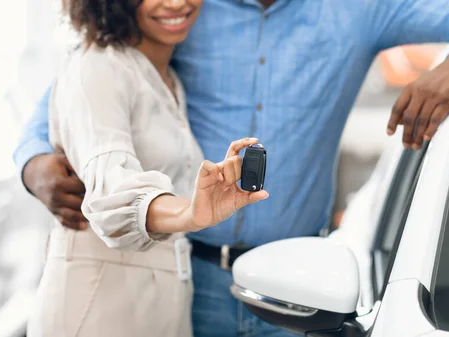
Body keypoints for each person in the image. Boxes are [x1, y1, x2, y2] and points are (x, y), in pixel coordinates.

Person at [14, 0, 449, 336]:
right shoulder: (181, 9)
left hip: (304, 289)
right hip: (192, 276)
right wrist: (35, 163)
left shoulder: (356, 9)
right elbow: (75, 94)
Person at [25, 0, 269, 336]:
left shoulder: (166, 79)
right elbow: (112, 189)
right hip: (99, 306)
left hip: (162, 303)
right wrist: (192, 214)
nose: (175, 3)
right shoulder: (97, 68)